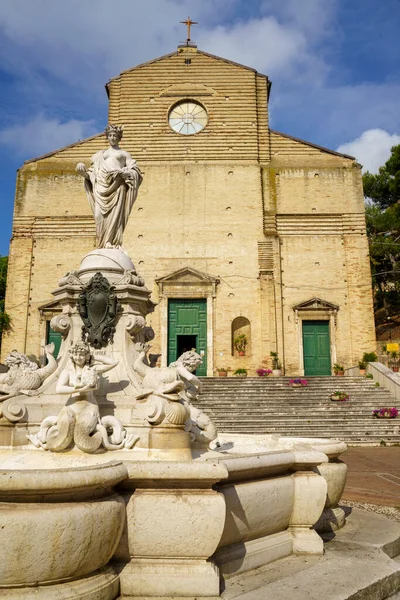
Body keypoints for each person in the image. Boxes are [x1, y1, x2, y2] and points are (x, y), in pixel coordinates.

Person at [76, 124, 142, 248]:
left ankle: (109, 241)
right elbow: (92, 175)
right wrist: (83, 172)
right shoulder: (98, 155)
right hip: (100, 187)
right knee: (98, 215)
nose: (112, 138)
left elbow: (135, 171)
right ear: (107, 137)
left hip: (117, 187)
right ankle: (101, 243)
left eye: (115, 136)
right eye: (110, 135)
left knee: (115, 216)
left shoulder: (124, 154)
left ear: (119, 138)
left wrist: (123, 172)